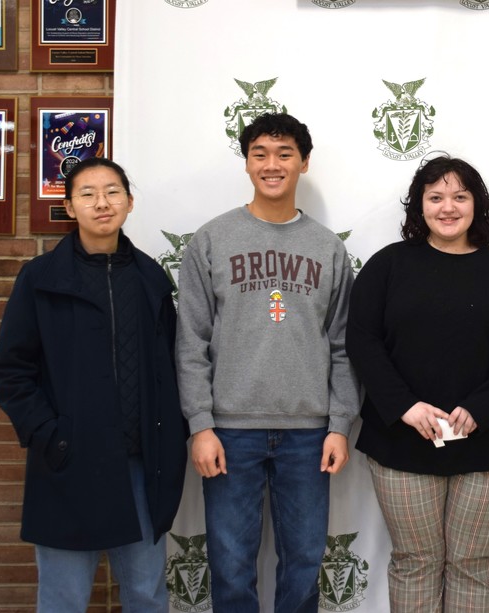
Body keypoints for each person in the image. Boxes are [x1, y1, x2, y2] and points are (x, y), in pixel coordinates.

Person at [175, 112, 361, 613]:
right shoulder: (211, 240)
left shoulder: (328, 248)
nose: (272, 165)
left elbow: (344, 345)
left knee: (303, 566)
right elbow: (191, 341)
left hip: (308, 433)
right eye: (260, 154)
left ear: (304, 162)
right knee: (231, 567)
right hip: (230, 430)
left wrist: (340, 423)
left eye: (283, 154)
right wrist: (200, 425)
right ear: (247, 163)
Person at [346, 155, 489, 613]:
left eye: (459, 196)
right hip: (402, 441)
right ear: (419, 207)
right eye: (435, 197)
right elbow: (361, 340)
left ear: (478, 205)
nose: (448, 207)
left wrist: (482, 407)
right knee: (416, 561)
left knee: (473, 562)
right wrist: (405, 406)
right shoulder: (388, 266)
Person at [0, 157, 188, 612]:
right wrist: (49, 436)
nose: (103, 203)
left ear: (130, 202)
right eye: (88, 194)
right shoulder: (40, 279)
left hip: (142, 467)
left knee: (146, 595)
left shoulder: (151, 278)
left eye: (113, 191)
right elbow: (11, 371)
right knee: (63, 600)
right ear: (69, 207)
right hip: (68, 464)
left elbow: (172, 365)